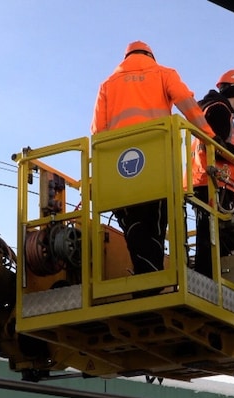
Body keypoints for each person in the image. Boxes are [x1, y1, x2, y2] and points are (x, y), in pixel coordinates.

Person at [91, 41, 214, 282]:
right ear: (150, 56)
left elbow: (97, 133)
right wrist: (209, 137)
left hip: (119, 165)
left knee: (131, 219)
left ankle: (145, 273)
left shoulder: (107, 84)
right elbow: (187, 103)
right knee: (154, 221)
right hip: (155, 161)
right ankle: (151, 277)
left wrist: (99, 176)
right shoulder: (163, 73)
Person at [187, 69, 234, 277]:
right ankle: (207, 277)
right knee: (210, 235)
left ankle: (208, 275)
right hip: (213, 180)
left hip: (208, 179)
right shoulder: (219, 110)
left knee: (210, 233)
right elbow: (218, 147)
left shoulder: (214, 110)